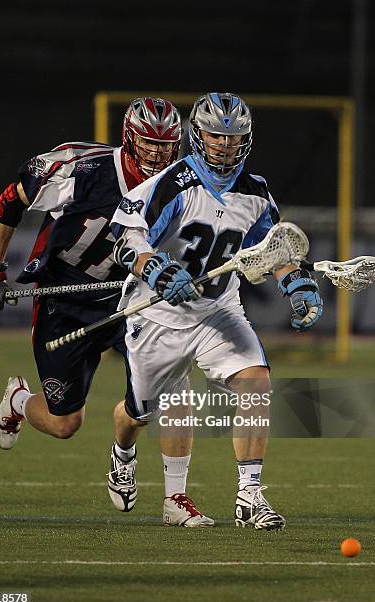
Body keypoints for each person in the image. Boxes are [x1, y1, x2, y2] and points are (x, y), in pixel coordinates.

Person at [0, 97, 213, 525]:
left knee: (174, 384)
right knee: (66, 423)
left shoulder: (186, 183)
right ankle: (19, 400)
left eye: (166, 144)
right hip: (67, 296)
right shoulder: (83, 169)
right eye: (149, 143)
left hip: (132, 297)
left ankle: (173, 496)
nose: (158, 153)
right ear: (129, 138)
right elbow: (12, 199)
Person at [109, 92, 324, 529]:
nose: (225, 144)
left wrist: (296, 283)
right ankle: (123, 453)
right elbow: (125, 236)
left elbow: (271, 250)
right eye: (216, 135)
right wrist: (158, 271)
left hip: (216, 310)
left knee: (256, 383)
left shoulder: (256, 192)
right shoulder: (171, 183)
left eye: (234, 136)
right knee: (140, 413)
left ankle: (249, 496)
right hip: (158, 317)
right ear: (198, 134)